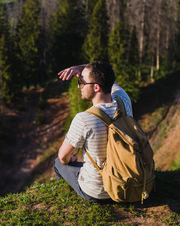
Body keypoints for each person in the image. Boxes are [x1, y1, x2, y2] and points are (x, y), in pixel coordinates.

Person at [54, 61, 132, 202]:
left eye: (82, 82)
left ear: (96, 87)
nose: (79, 86)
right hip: (126, 183)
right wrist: (81, 69)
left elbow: (63, 156)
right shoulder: (124, 101)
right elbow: (106, 73)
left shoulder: (84, 119)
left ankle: (63, 198)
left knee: (58, 163)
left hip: (99, 192)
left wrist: (69, 160)